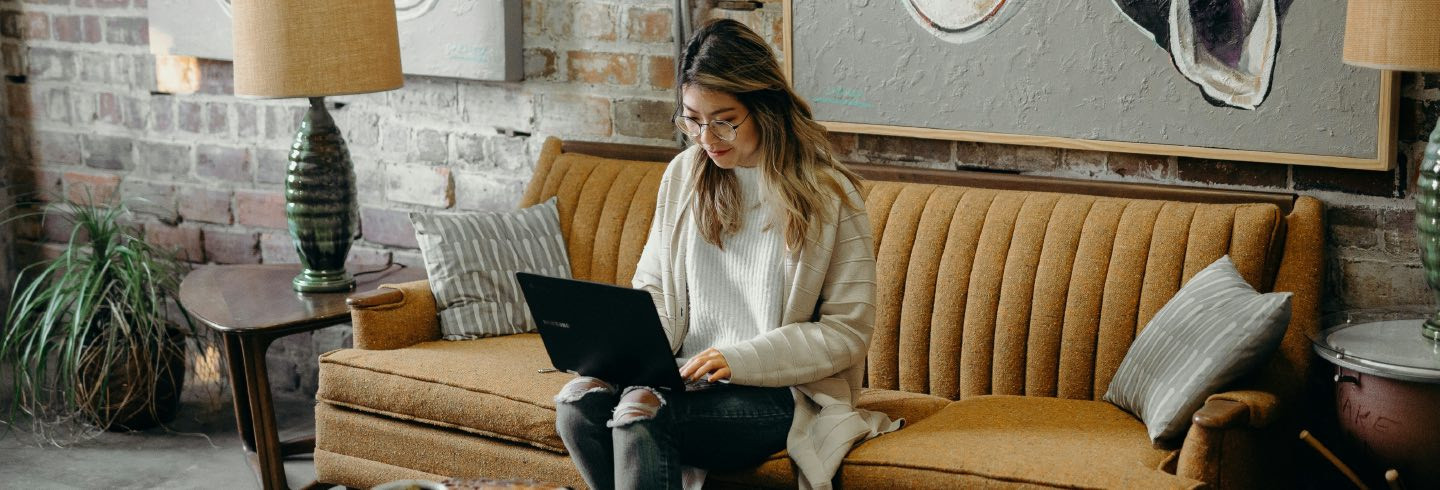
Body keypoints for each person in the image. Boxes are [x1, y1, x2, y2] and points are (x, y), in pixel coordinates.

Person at [553, 18, 899, 490]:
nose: (706, 138)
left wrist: (740, 359)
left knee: (640, 413)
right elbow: (653, 287)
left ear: (765, 106)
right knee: (577, 405)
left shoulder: (828, 194)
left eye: (724, 121)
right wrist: (623, 351)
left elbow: (846, 331)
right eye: (692, 119)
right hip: (682, 378)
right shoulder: (684, 175)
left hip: (779, 393)